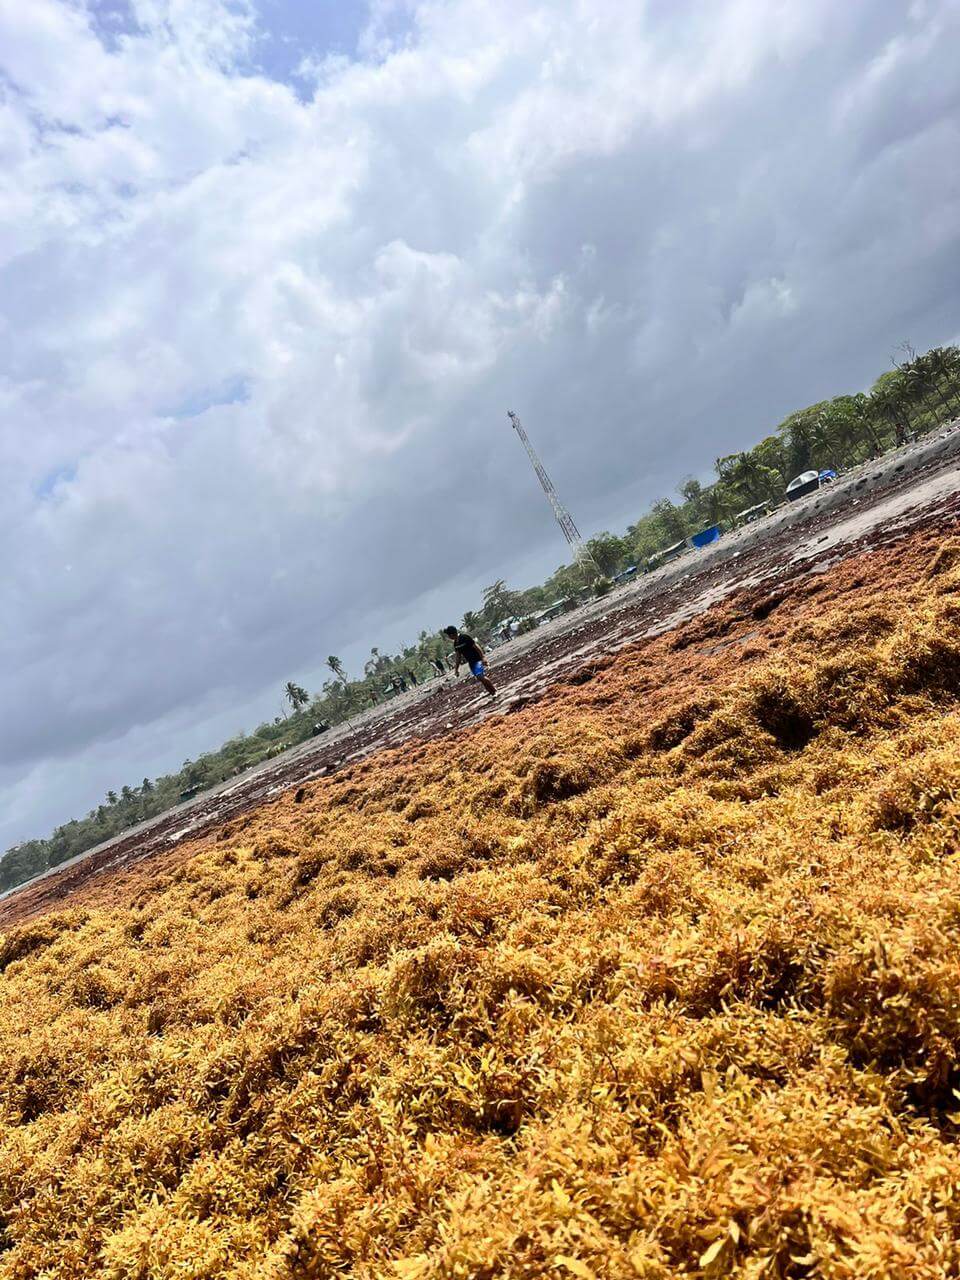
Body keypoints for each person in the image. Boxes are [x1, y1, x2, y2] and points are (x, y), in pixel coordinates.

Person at [444, 625, 497, 697]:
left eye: (448, 635)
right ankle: (491, 692)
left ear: (452, 634)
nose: (449, 637)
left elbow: (476, 646)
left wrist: (483, 658)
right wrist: (456, 669)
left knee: (480, 676)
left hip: (477, 659)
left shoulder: (464, 637)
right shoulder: (456, 643)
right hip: (471, 662)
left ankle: (494, 691)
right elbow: (458, 657)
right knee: (480, 678)